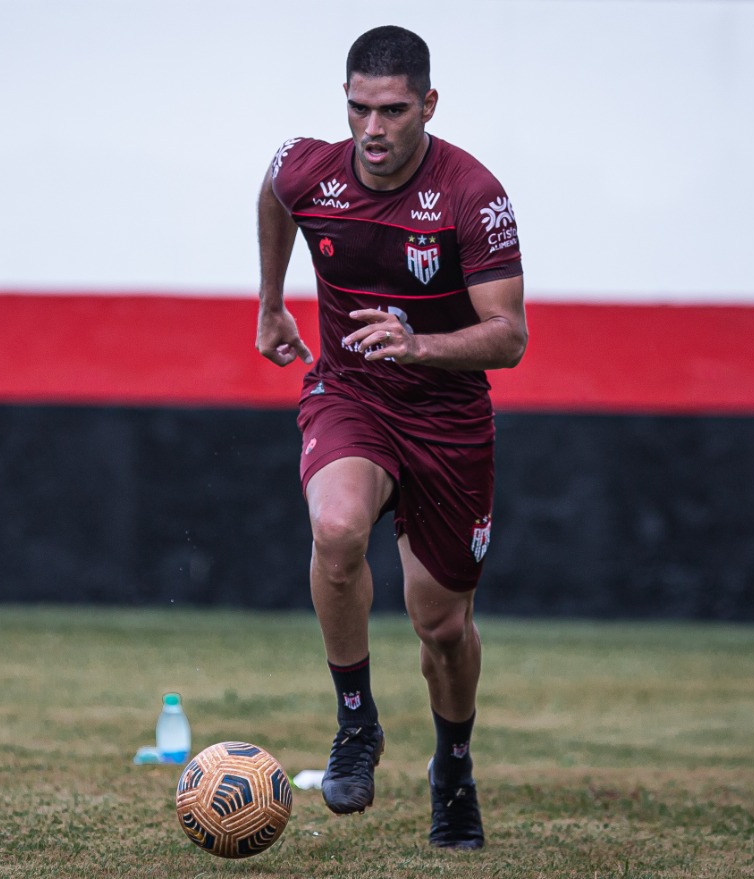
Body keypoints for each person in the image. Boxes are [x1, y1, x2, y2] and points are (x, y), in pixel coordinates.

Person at [254, 25, 527, 850]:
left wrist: (420, 345)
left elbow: (509, 337)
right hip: (352, 392)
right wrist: (271, 299)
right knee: (335, 527)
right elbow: (273, 189)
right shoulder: (312, 167)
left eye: (393, 110)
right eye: (359, 108)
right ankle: (356, 724)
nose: (372, 129)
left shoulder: (473, 195)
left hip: (447, 417)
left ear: (427, 106)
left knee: (440, 625)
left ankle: (452, 765)